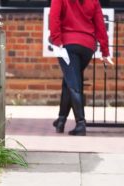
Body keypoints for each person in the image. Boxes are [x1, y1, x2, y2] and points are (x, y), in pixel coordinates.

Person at [49, 0, 113, 136]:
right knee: (70, 80)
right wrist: (105, 51)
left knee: (73, 84)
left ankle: (80, 123)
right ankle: (61, 120)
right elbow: (100, 25)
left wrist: (56, 40)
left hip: (67, 44)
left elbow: (54, 18)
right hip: (87, 47)